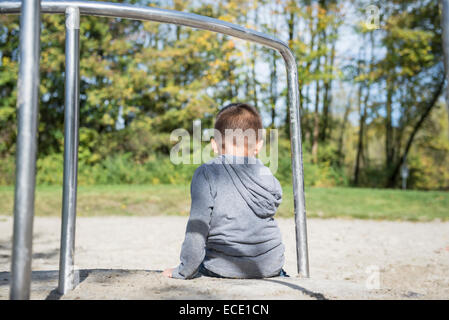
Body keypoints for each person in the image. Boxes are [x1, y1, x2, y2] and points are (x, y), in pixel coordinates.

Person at [163, 103, 287, 279]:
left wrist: (184, 270)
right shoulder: (267, 175)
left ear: (214, 144)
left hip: (222, 269)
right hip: (269, 268)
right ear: (258, 145)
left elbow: (197, 228)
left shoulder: (207, 173)